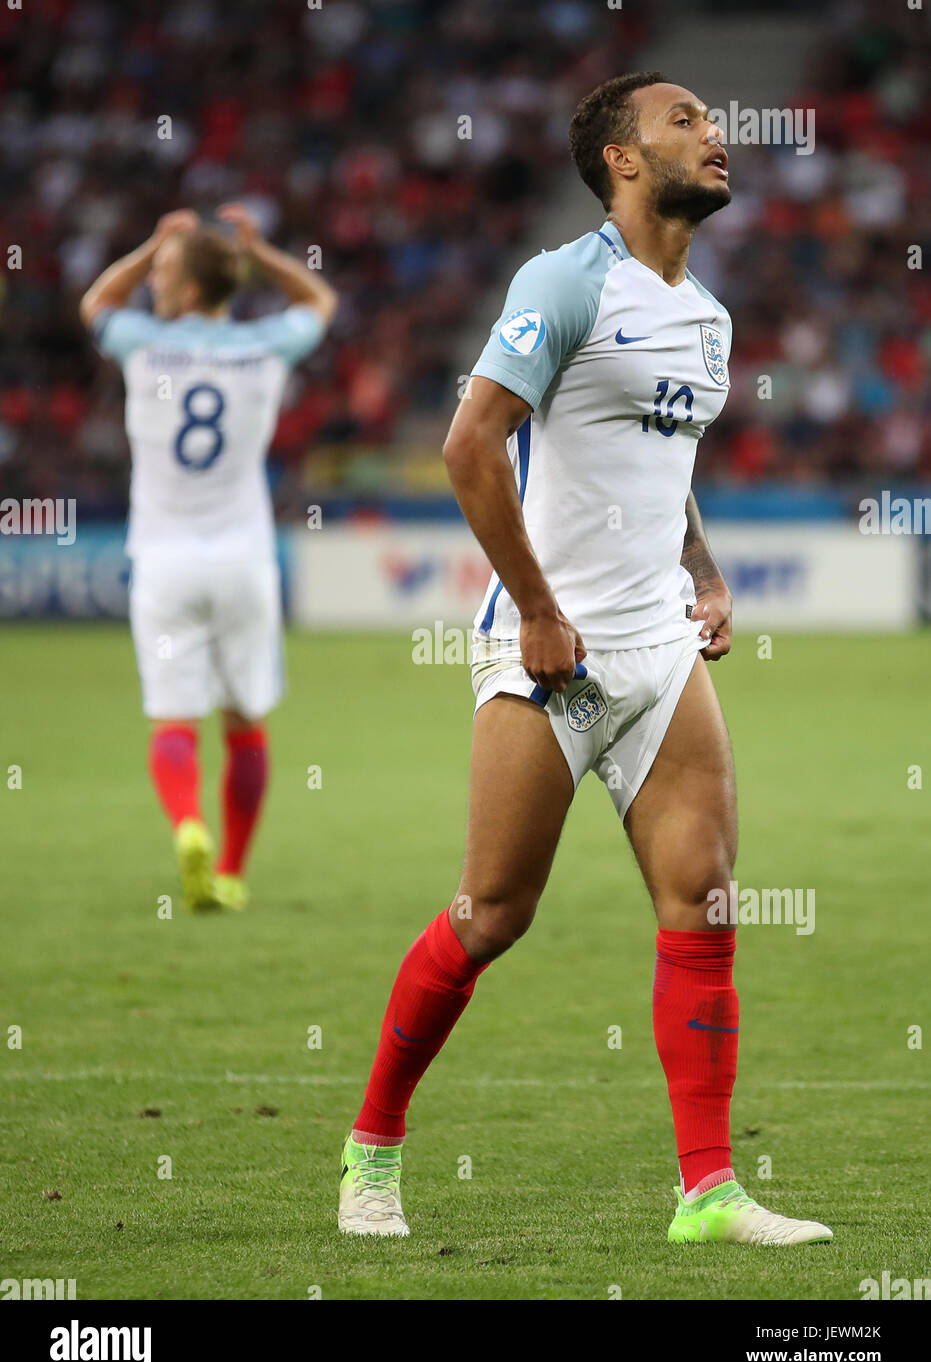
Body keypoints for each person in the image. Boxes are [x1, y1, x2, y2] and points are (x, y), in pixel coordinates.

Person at [338, 73, 832, 1245]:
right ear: (619, 158)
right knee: (491, 914)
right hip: (545, 655)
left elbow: (666, 465)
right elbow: (468, 444)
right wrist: (536, 609)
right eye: (683, 121)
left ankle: (708, 1192)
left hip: (662, 646)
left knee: (704, 905)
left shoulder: (705, 316)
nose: (714, 134)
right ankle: (371, 1153)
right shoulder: (564, 281)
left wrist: (704, 571)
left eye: (713, 120)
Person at [80, 205, 337, 911]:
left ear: (190, 291)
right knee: (246, 724)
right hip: (244, 561)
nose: (152, 284)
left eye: (163, 275)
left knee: (174, 722)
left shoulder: (141, 345)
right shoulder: (263, 348)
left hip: (163, 560)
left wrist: (150, 242)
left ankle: (187, 825)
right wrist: (262, 252)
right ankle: (229, 871)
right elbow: (319, 299)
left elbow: (95, 301)